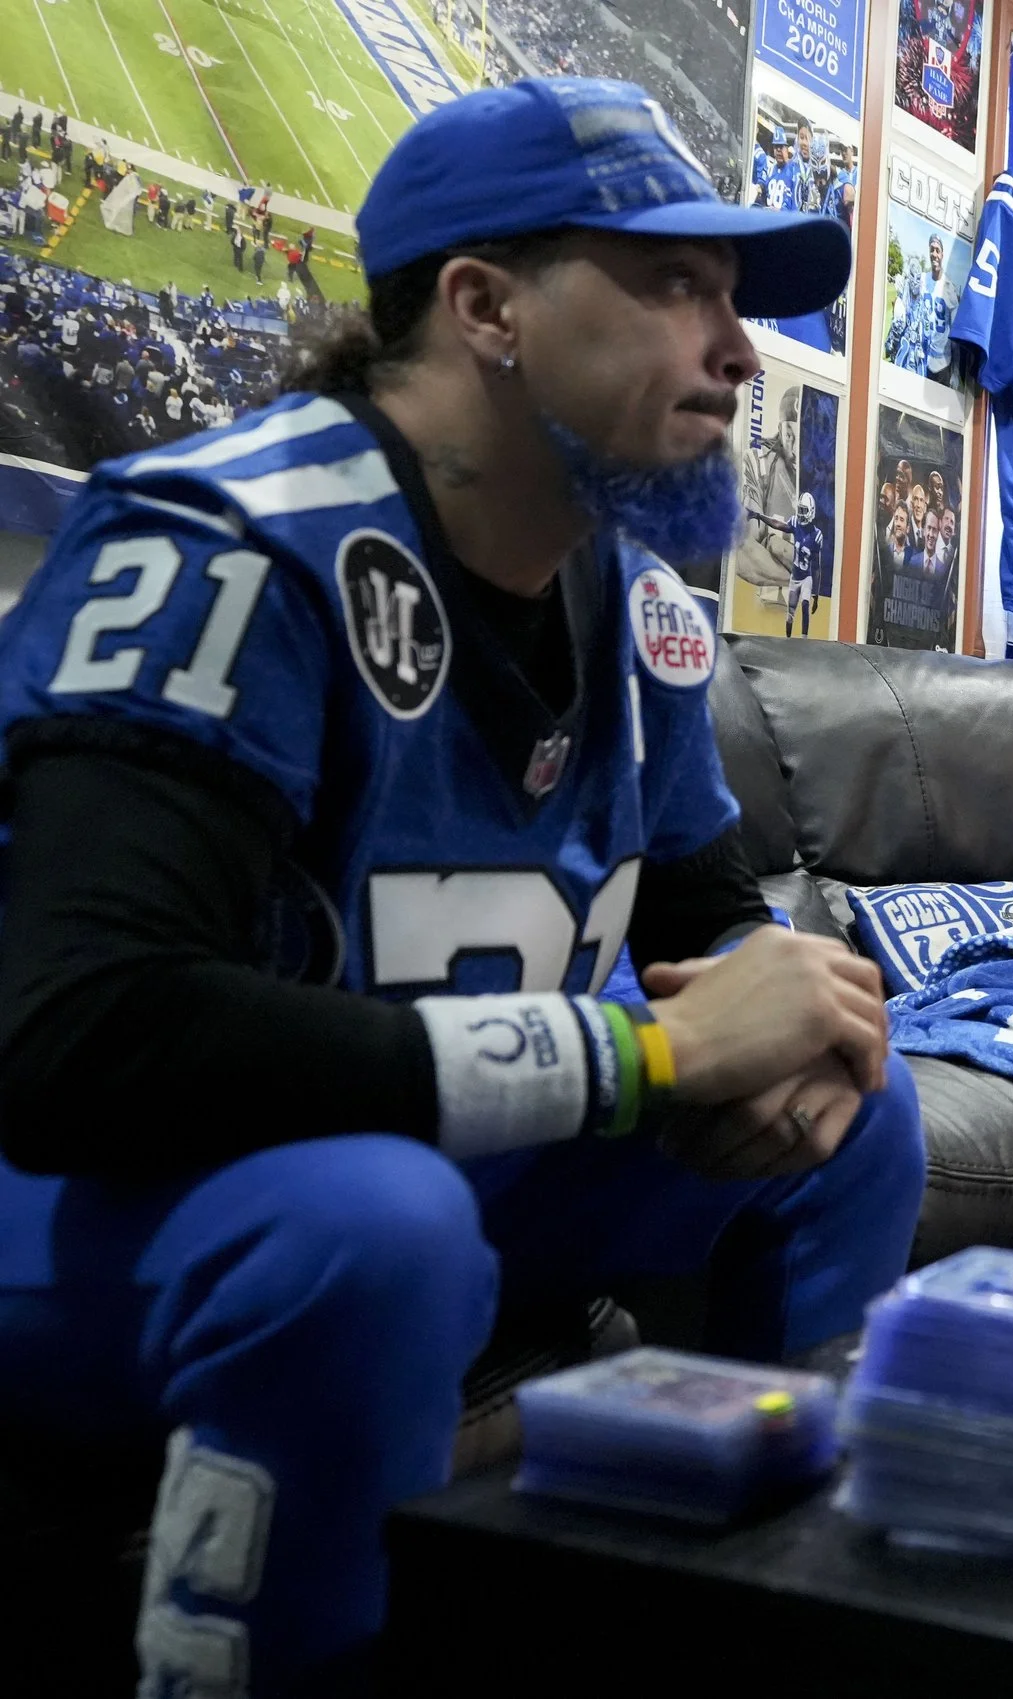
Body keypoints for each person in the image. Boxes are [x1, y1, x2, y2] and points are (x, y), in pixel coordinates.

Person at [0, 77, 910, 1694]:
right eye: (674, 286)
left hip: (432, 1148)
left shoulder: (628, 596)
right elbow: (81, 1031)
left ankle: (787, 1609)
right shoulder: (228, 542)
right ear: (486, 305)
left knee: (858, 1109)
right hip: (122, 1183)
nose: (740, 352)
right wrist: (644, 1057)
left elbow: (699, 912)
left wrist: (793, 1003)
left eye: (733, 303)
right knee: (383, 1225)